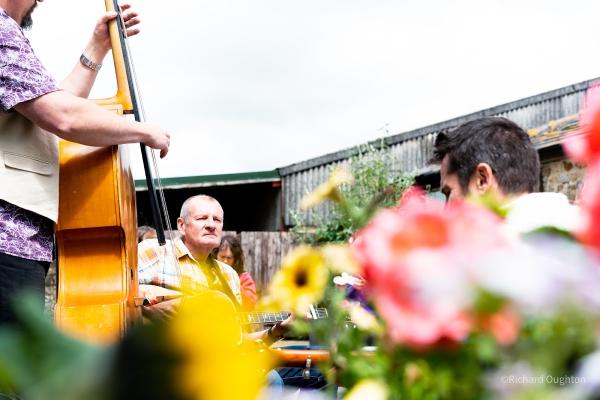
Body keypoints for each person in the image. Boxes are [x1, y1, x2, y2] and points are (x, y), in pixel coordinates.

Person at [0, 2, 170, 325]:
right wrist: (142, 131)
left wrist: (98, 46)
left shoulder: (10, 35)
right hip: (7, 241)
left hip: (20, 244)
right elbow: (62, 116)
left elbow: (55, 107)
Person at [137, 195, 290, 342]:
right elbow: (116, 296)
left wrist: (276, 331)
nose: (211, 225)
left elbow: (234, 342)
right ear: (181, 225)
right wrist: (151, 306)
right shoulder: (154, 251)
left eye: (217, 219)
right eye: (202, 218)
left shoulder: (228, 275)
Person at [432, 116, 580, 233]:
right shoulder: (583, 225)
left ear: (482, 179)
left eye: (448, 192)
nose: (446, 209)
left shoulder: (495, 254)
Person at [214, 234, 257, 311]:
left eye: (229, 258)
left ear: (235, 259)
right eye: (222, 257)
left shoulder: (244, 277)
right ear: (216, 255)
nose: (225, 261)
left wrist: (234, 284)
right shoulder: (208, 272)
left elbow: (251, 303)